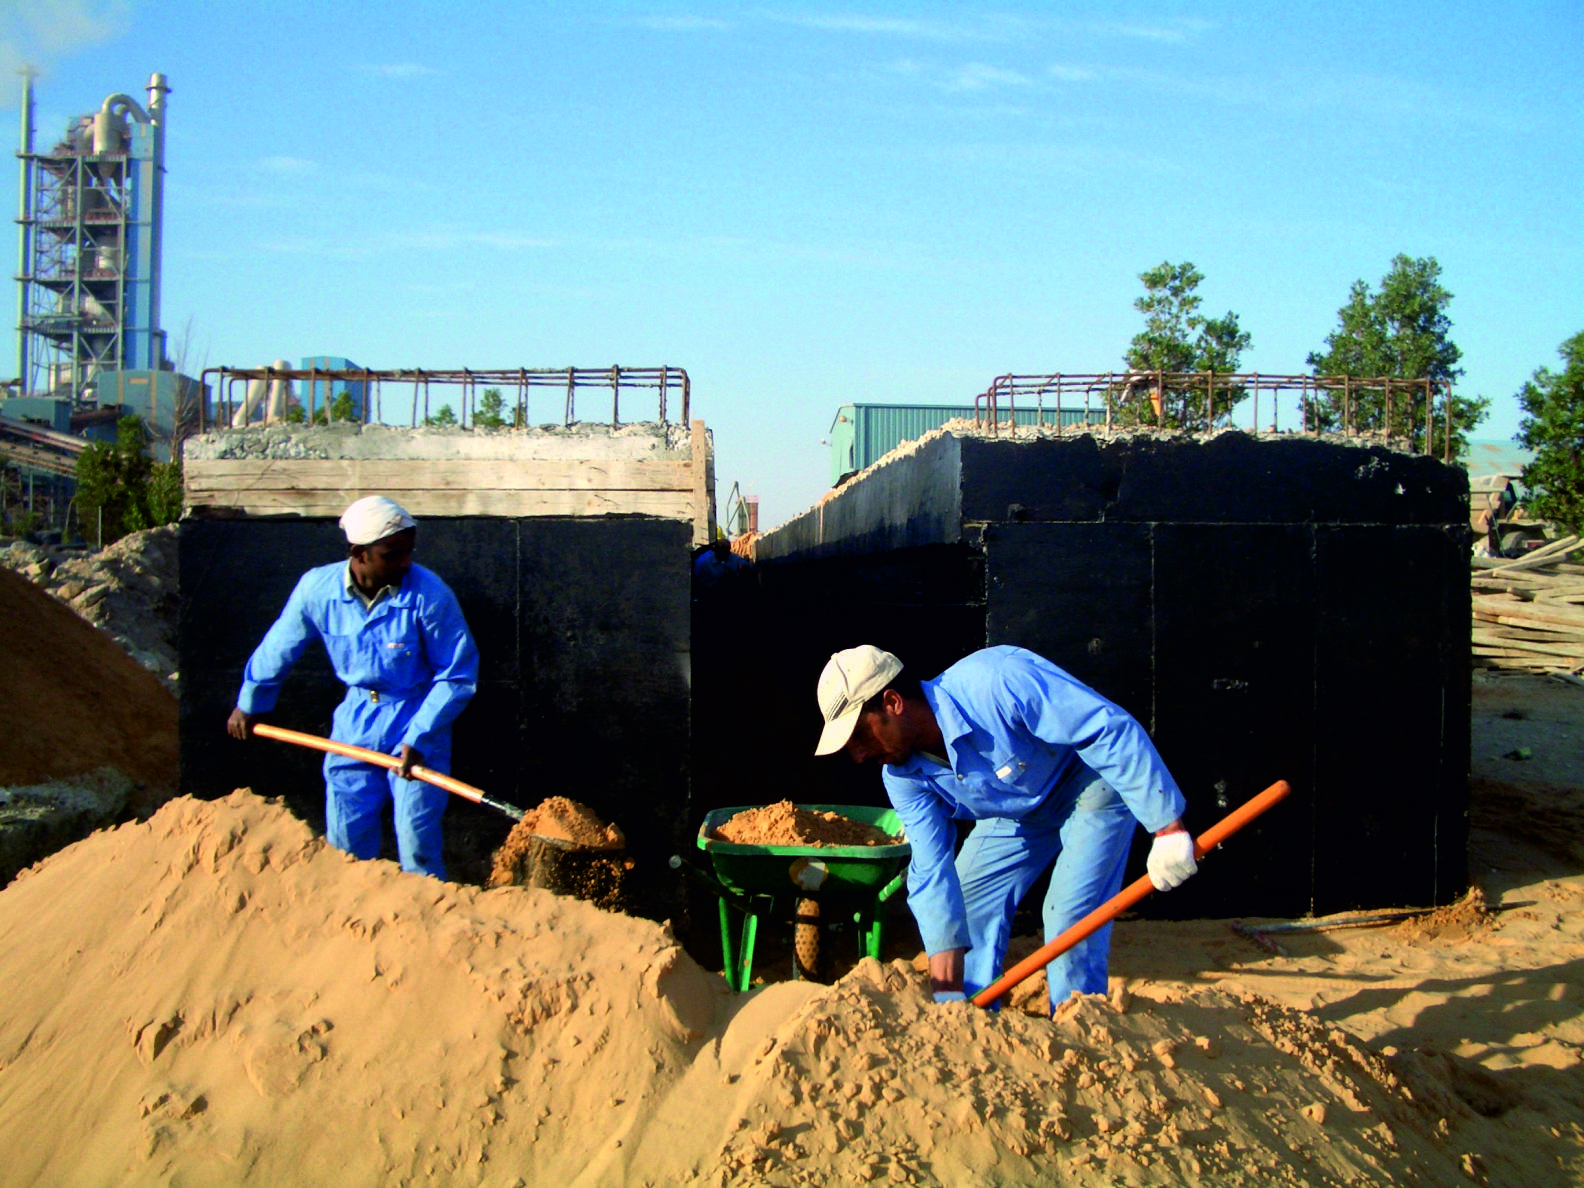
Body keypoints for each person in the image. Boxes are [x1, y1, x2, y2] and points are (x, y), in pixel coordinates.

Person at [814, 643, 1196, 1012]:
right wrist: (946, 990)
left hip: (1089, 783)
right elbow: (932, 872)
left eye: (860, 736)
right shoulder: (902, 776)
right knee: (965, 903)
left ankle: (1078, 1032)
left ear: (893, 703)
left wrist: (1166, 826)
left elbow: (1105, 729)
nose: (859, 754)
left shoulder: (996, 681)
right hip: (1017, 810)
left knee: (1068, 919)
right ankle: (971, 1024)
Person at [226, 495, 479, 880]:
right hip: (355, 723)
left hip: (415, 716)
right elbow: (279, 646)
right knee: (346, 843)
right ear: (360, 553)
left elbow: (457, 674)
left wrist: (420, 737)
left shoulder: (429, 595)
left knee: (417, 844)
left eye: (408, 551)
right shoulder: (317, 589)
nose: (405, 563)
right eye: (393, 554)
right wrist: (250, 702)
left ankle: (423, 926)